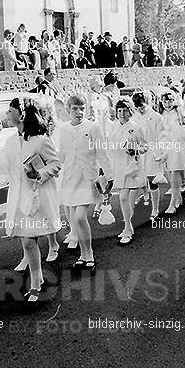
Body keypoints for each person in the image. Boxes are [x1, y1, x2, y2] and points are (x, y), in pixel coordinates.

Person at [0, 98, 62, 301]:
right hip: (18, 197)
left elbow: (55, 164)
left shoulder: (41, 140)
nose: (7, 115)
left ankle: (36, 283)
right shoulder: (10, 141)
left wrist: (40, 174)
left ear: (21, 115)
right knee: (26, 241)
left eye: (10, 111)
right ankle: (38, 279)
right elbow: (3, 168)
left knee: (29, 240)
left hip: (38, 195)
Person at [55, 94, 113, 273]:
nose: (79, 112)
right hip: (69, 179)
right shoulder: (62, 129)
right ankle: (83, 255)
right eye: (75, 108)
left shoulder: (93, 127)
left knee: (80, 217)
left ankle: (90, 255)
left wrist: (109, 176)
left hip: (88, 178)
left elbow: (102, 152)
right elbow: (61, 155)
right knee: (74, 221)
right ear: (68, 110)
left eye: (82, 108)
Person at [110, 98, 148, 245]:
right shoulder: (113, 127)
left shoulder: (136, 127)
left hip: (132, 166)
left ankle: (127, 228)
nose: (122, 114)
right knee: (126, 198)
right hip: (119, 165)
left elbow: (145, 146)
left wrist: (135, 150)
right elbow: (110, 145)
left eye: (125, 110)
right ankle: (128, 225)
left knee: (124, 197)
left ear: (130, 111)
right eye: (119, 111)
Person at [132, 91, 165, 219]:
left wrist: (161, 153)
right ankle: (144, 195)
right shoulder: (134, 117)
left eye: (142, 106)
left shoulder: (157, 117)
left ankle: (155, 210)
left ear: (148, 103)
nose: (140, 109)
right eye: (137, 107)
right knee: (138, 179)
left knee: (152, 181)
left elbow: (162, 136)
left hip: (152, 152)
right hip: (139, 153)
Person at [158, 91, 185, 213]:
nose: (168, 104)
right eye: (165, 101)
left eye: (170, 101)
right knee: (169, 171)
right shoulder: (161, 114)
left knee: (174, 172)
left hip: (178, 145)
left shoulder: (179, 112)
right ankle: (177, 197)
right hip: (167, 145)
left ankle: (173, 203)